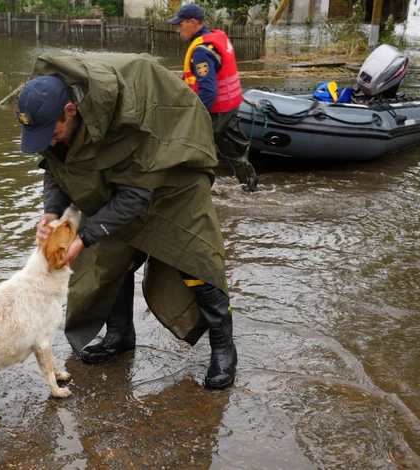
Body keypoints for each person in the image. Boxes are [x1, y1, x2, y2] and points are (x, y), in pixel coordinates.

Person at [15, 52, 237, 389]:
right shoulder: (53, 115)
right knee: (108, 259)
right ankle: (119, 335)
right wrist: (51, 211)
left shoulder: (127, 115)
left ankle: (224, 350)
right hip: (120, 179)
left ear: (71, 111)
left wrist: (83, 236)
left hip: (174, 174)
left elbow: (135, 197)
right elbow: (56, 167)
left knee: (196, 259)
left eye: (52, 131)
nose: (48, 140)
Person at [168, 4, 258, 191]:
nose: (177, 30)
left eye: (180, 25)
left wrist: (197, 117)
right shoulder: (216, 38)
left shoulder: (202, 51)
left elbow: (208, 90)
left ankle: (190, 191)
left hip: (215, 110)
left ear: (193, 22)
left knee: (190, 149)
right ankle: (251, 190)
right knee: (233, 151)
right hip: (229, 106)